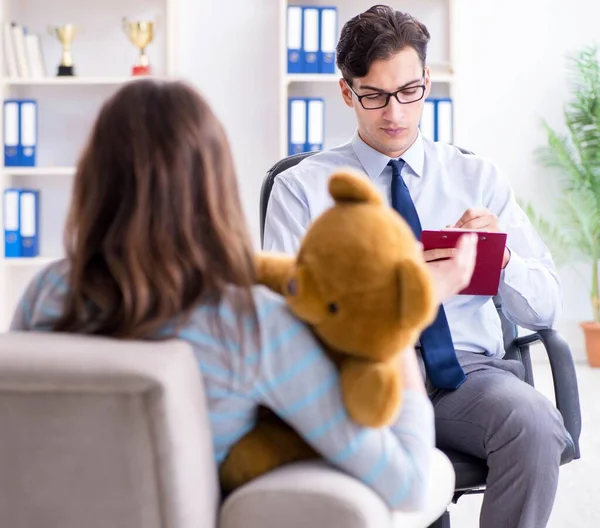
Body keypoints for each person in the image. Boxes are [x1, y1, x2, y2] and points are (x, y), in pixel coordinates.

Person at [8, 78, 477, 512]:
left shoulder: (48, 294)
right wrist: (402, 317)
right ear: (213, 186)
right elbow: (410, 483)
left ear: (94, 179)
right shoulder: (250, 324)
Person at [263, 5, 568, 528]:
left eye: (408, 92)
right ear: (346, 92)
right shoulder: (303, 188)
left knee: (534, 422)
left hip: (468, 378)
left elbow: (547, 307)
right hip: (362, 383)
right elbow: (283, 323)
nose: (395, 114)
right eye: (375, 96)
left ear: (426, 82)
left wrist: (504, 258)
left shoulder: (476, 177)